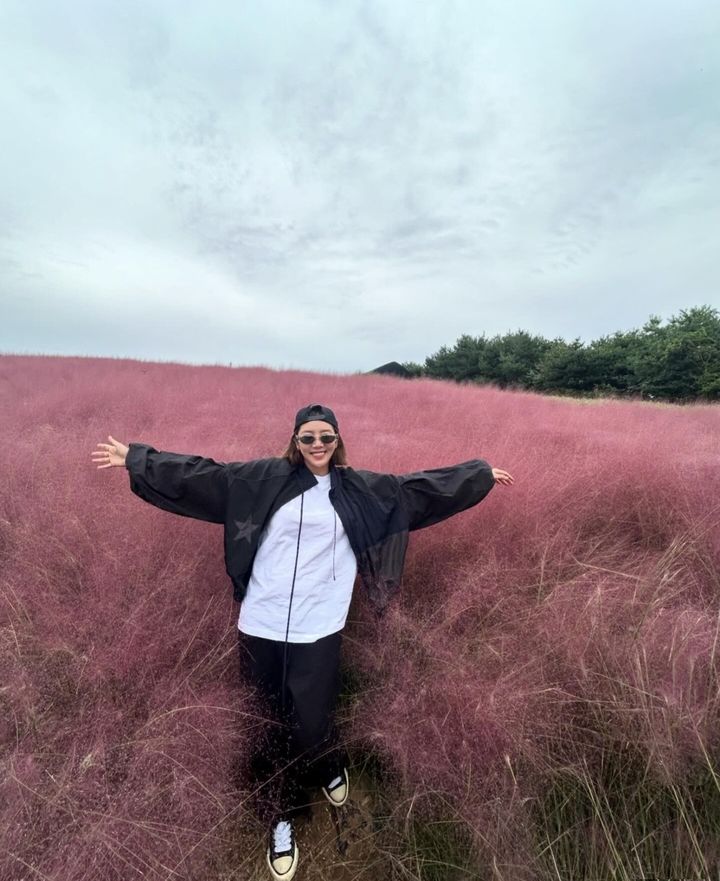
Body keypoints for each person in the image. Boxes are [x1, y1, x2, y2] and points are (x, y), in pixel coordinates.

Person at [91, 403, 514, 881]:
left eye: (326, 437)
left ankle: (326, 760)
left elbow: (416, 490)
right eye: (308, 438)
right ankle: (282, 816)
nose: (317, 446)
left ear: (338, 441)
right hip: (262, 623)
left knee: (311, 721)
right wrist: (138, 459)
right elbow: (201, 475)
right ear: (295, 440)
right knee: (267, 720)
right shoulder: (261, 479)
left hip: (319, 626)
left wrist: (477, 475)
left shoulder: (358, 488)